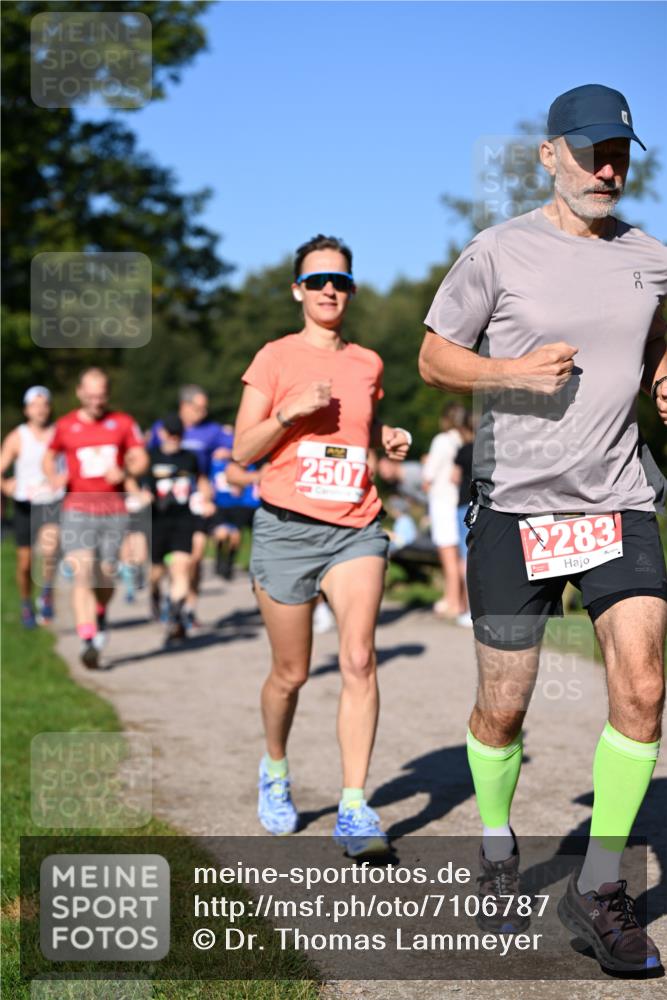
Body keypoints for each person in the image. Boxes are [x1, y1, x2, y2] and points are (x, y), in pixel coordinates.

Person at [419, 84, 666, 972]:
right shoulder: (497, 249)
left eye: (619, 154)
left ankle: (597, 888)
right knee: (504, 707)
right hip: (516, 507)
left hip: (617, 499)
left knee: (643, 687)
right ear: (548, 155)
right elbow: (433, 356)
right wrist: (509, 371)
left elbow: (655, 334)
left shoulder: (650, 257)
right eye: (591, 152)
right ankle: (495, 842)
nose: (607, 169)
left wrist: (665, 368)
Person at [232, 234, 411, 857]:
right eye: (317, 281)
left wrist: (385, 439)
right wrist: (287, 413)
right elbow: (242, 450)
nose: (329, 290)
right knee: (292, 673)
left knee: (359, 660)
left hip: (355, 527)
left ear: (351, 290)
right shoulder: (274, 357)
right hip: (286, 529)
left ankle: (354, 807)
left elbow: (360, 429)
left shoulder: (367, 363)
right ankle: (275, 769)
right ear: (298, 291)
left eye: (340, 281)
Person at [43, 368, 148, 669]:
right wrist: (54, 477)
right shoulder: (65, 426)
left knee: (104, 574)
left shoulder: (123, 423)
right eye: (90, 396)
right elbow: (49, 457)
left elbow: (141, 459)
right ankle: (88, 639)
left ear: (108, 394)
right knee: (82, 571)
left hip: (113, 510)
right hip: (77, 508)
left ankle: (100, 612)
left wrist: (125, 472)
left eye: (101, 396)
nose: (95, 402)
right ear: (79, 393)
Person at [148, 387, 232, 628]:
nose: (203, 412)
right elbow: (143, 460)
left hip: (194, 506)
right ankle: (159, 595)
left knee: (192, 560)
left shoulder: (212, 430)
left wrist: (229, 451)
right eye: (198, 408)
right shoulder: (160, 429)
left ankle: (186, 610)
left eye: (205, 408)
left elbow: (239, 447)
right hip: (162, 512)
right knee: (160, 568)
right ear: (184, 406)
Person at [139, 413, 214, 642]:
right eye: (170, 434)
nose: (174, 438)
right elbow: (136, 481)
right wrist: (142, 495)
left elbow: (201, 480)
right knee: (156, 572)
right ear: (162, 434)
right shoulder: (150, 456)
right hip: (157, 520)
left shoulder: (190, 458)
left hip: (183, 520)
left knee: (182, 567)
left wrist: (206, 499)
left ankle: (174, 614)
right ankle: (155, 593)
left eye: (178, 434)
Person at [0, 386, 63, 627]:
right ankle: (26, 602)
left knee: (50, 550)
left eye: (44, 404)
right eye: (35, 405)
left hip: (51, 501)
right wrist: (5, 485)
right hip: (24, 503)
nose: (40, 410)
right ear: (26, 410)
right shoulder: (18, 437)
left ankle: (46, 593)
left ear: (50, 408)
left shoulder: (59, 433)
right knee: (25, 563)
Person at [423, 403, 468, 621]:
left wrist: (426, 464)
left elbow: (428, 475)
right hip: (459, 501)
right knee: (460, 555)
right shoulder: (464, 440)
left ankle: (453, 601)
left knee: (448, 555)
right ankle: (461, 600)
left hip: (442, 501)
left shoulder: (441, 440)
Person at [451, 410, 475, 627]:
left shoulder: (463, 450)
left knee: (465, 556)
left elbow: (454, 477)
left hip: (464, 506)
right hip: (486, 506)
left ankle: (469, 609)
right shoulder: (492, 447)